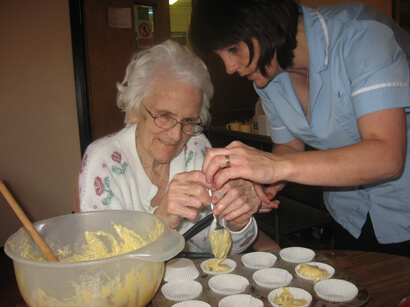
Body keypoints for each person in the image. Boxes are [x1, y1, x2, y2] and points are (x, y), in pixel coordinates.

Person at [190, 0, 410, 256]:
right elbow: (290, 146)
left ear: (265, 21)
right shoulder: (266, 77)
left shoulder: (361, 37)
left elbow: (387, 156)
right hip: (348, 213)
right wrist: (261, 181)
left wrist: (273, 166)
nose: (229, 68)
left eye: (234, 48)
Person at [75, 39, 270, 255]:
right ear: (133, 108)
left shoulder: (197, 148)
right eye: (164, 116)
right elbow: (104, 262)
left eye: (188, 120)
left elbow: (219, 247)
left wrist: (237, 222)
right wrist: (161, 221)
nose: (177, 135)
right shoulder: (102, 164)